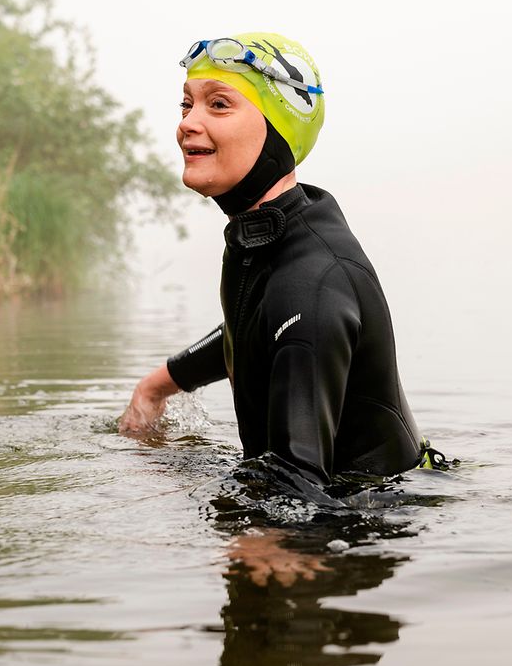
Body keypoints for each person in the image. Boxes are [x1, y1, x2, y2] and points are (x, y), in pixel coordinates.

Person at [119, 32, 423, 485]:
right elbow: (258, 324)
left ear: (280, 128)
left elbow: (294, 485)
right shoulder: (276, 241)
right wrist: (158, 385)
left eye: (218, 105)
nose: (188, 123)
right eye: (187, 105)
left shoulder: (314, 279)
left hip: (359, 530)